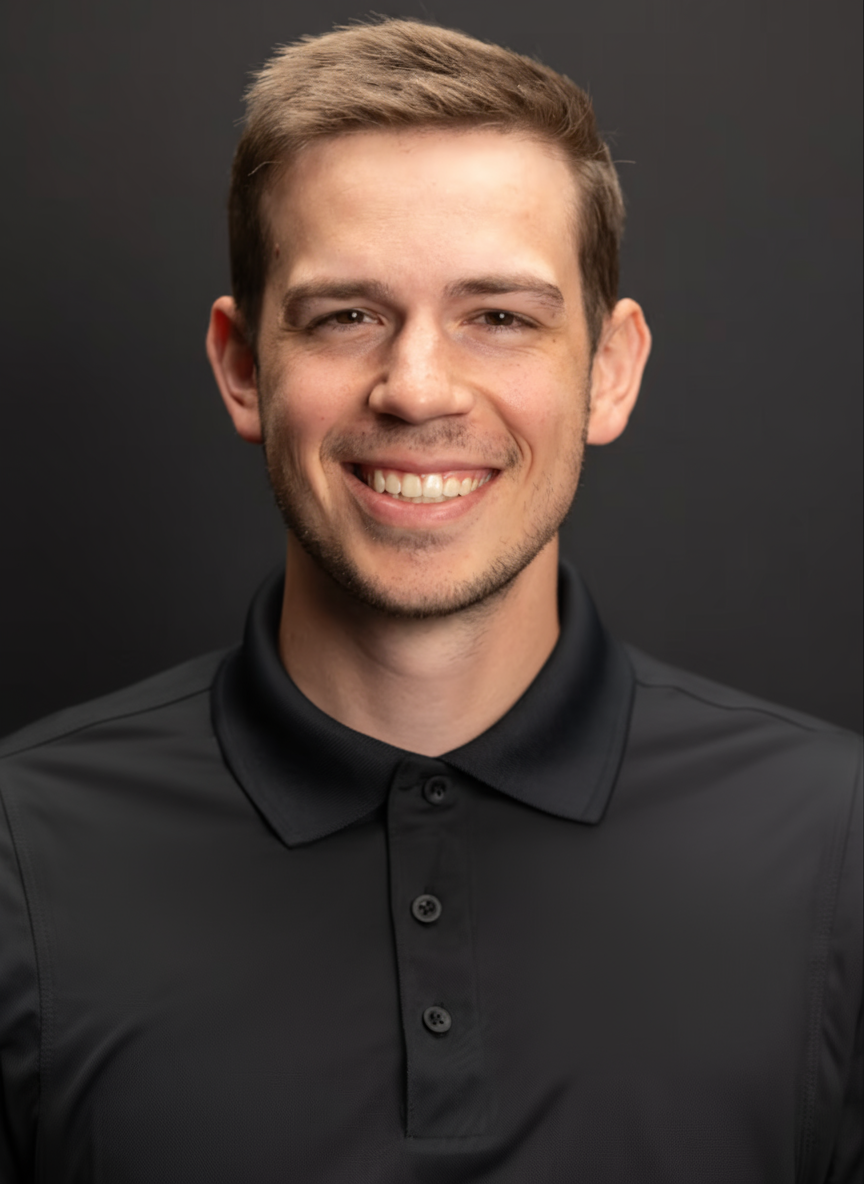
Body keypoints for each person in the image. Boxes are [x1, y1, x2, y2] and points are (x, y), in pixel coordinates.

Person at [0, 18, 860, 1183]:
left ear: (610, 369)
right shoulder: (20, 856)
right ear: (242, 363)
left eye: (500, 315)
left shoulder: (839, 846)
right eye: (346, 314)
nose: (417, 388)